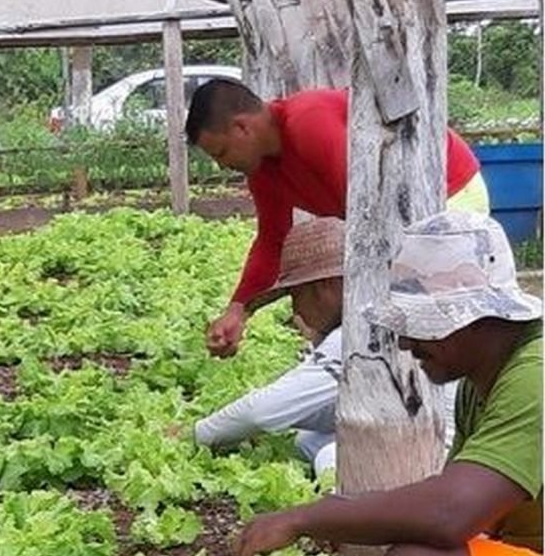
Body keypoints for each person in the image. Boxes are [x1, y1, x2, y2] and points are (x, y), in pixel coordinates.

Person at [235, 211, 542, 556]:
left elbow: (451, 513)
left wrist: (304, 518)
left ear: (474, 318)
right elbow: (463, 512)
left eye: (421, 324)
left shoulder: (535, 377)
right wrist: (351, 521)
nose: (406, 344)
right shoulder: (483, 377)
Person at [184, 80, 491, 359]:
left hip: (448, 190)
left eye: (221, 153)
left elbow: (370, 206)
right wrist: (238, 310)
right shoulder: (264, 171)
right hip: (396, 217)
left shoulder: (307, 122)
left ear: (242, 128)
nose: (223, 166)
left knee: (435, 322)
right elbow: (272, 242)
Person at [194, 217, 454, 475]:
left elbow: (261, 412)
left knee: (332, 458)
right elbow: (338, 410)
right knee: (310, 440)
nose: (296, 310)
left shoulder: (359, 331)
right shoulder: (378, 309)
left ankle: (357, 516)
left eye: (297, 295)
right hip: (430, 436)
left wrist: (194, 435)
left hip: (443, 453)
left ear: (325, 286)